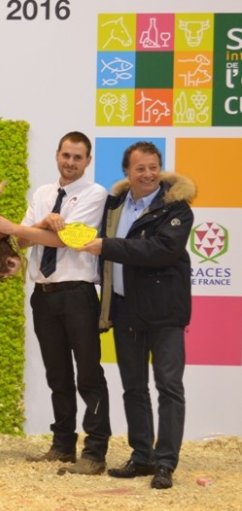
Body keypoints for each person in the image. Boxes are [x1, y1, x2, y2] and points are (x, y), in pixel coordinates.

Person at [0, 131, 111, 475]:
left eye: (77, 157)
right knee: (57, 374)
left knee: (88, 374)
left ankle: (95, 451)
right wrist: (40, 223)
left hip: (77, 294)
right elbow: (22, 243)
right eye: (66, 155)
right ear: (57, 155)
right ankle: (62, 446)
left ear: (87, 161)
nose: (70, 163)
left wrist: (17, 227)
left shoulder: (95, 193)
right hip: (43, 295)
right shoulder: (43, 194)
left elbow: (67, 240)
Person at [80, 141, 195, 490]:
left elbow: (161, 250)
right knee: (133, 387)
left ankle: (165, 463)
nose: (148, 174)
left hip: (165, 312)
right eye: (140, 168)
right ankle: (142, 456)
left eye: (153, 167)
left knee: (169, 387)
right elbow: (88, 234)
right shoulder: (114, 205)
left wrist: (108, 246)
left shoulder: (177, 208)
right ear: (126, 172)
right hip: (126, 308)